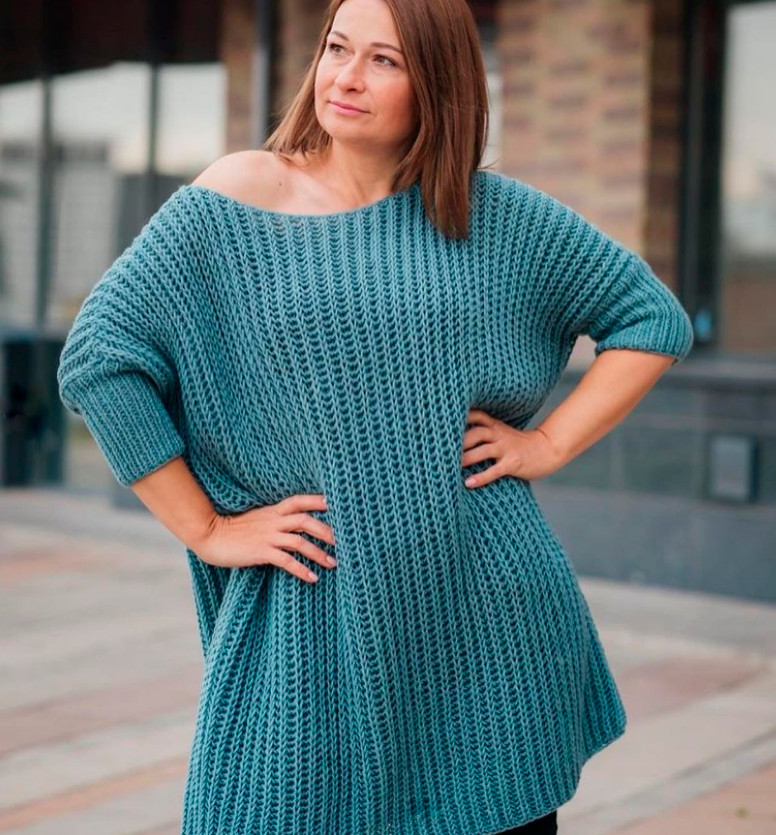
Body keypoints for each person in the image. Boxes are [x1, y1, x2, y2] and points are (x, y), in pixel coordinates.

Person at [56, 0, 694, 832]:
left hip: (486, 625)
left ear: (439, 83)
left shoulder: (491, 215)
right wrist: (207, 528)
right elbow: (100, 360)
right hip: (314, 617)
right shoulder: (240, 196)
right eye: (337, 48)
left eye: (384, 60)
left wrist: (547, 441)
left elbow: (651, 317)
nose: (347, 77)